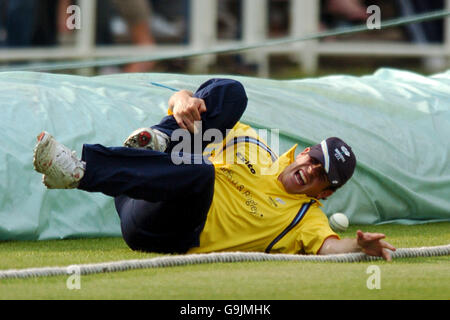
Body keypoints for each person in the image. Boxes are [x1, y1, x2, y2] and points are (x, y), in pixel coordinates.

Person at [32, 78, 396, 260]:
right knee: (232, 94)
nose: (311, 170)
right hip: (141, 182)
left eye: (322, 175)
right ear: (302, 153)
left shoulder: (305, 218)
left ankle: (80, 170)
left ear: (326, 193)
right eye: (313, 159)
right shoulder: (254, 144)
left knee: (200, 171)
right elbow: (184, 102)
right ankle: (159, 139)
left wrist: (360, 248)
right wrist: (182, 101)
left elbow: (332, 248)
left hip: (163, 229)